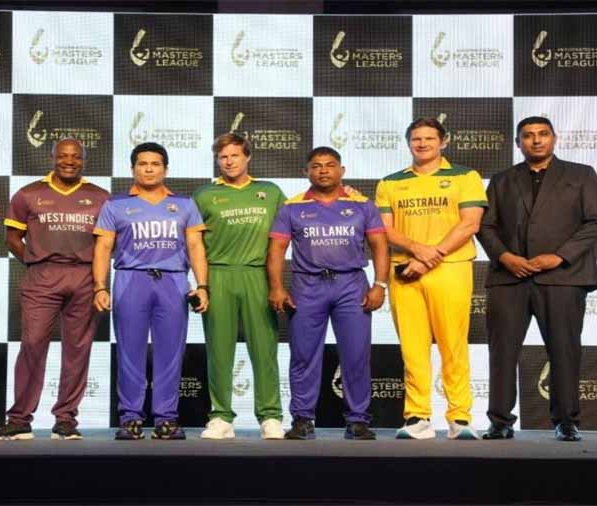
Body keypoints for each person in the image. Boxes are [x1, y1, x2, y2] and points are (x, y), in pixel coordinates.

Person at [478, 116, 597, 442]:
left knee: (564, 351)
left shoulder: (581, 174)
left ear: (554, 138)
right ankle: (500, 422)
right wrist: (505, 257)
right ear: (518, 142)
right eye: (528, 135)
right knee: (502, 353)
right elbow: (485, 225)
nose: (536, 140)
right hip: (509, 278)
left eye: (543, 134)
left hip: (563, 276)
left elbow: (595, 222)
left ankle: (566, 421)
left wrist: (559, 256)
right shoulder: (503, 179)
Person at [374, 117, 487, 440]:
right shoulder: (390, 182)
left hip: (450, 268)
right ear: (409, 143)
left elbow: (470, 224)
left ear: (444, 141)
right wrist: (417, 249)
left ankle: (459, 417)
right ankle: (417, 416)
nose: (422, 144)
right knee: (413, 348)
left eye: (429, 138)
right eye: (416, 139)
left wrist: (430, 256)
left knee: (453, 345)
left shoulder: (465, 176)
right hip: (405, 271)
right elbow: (384, 229)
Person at [0, 138, 108, 441]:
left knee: (77, 349)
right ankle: (19, 419)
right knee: (32, 343)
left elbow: (107, 243)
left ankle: (65, 419)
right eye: (63, 156)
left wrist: (97, 278)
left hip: (84, 277)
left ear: (84, 160)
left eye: (76, 157)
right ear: (52, 157)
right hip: (42, 276)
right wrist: (35, 261)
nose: (69, 161)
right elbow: (12, 238)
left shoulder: (101, 197)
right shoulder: (29, 193)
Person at [267, 146, 389, 440]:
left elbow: (380, 246)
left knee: (356, 355)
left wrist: (380, 285)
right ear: (306, 172)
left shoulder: (362, 205)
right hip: (307, 286)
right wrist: (277, 287)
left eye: (330, 165)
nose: (323, 170)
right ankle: (302, 419)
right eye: (316, 166)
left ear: (342, 170)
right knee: (303, 356)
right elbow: (276, 250)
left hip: (351, 285)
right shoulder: (291, 207)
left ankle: (358, 420)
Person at [92, 142, 209, 440]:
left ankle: (166, 418)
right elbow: (103, 248)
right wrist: (100, 286)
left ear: (165, 169)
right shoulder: (115, 205)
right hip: (131, 280)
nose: (148, 169)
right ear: (132, 169)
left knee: (170, 353)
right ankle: (130, 418)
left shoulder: (184, 205)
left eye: (155, 164)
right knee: (129, 352)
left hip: (173, 281)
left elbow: (196, 246)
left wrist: (202, 285)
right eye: (142, 164)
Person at [191, 133, 285, 440]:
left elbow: (296, 220)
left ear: (247, 157)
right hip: (218, 274)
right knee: (219, 349)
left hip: (258, 274)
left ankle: (270, 416)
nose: (229, 162)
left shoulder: (269, 192)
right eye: (223, 157)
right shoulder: (204, 195)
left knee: (264, 348)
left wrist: (348, 192)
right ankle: (221, 416)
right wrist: (201, 284)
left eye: (234, 155)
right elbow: (192, 243)